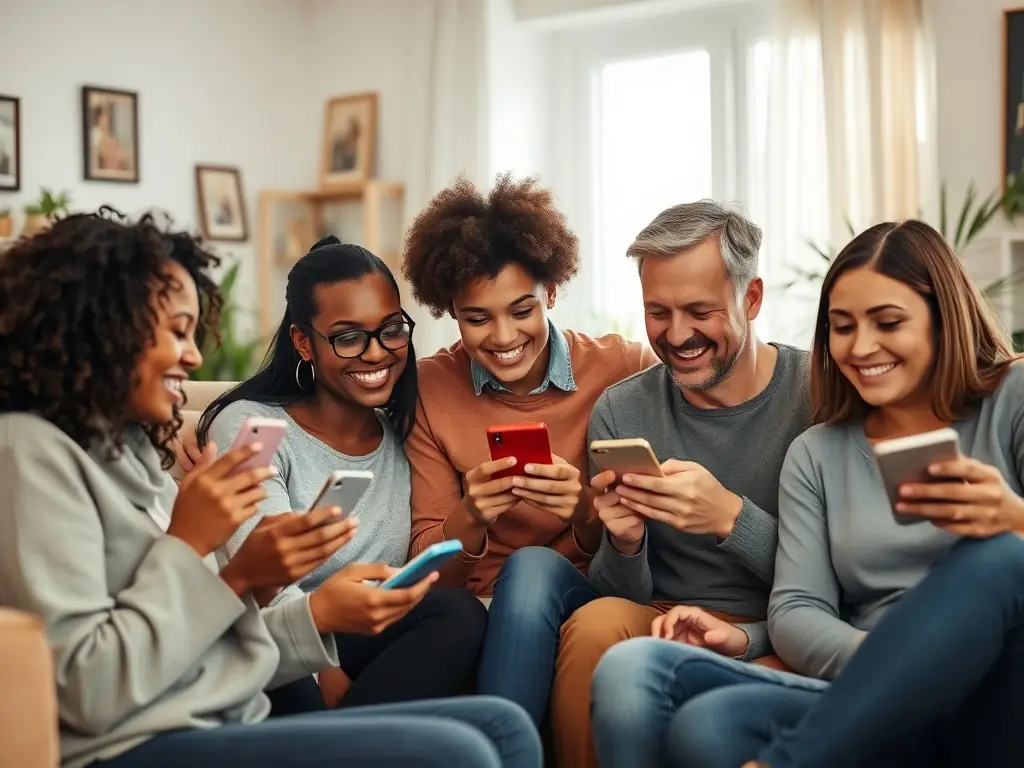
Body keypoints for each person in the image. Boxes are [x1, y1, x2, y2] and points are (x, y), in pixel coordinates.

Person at [0, 210, 542, 768]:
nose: (193, 355)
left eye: (389, 330)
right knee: (464, 751)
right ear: (104, 328)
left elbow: (216, 632)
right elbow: (86, 692)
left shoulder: (130, 453)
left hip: (219, 704)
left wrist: (269, 592)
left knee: (504, 727)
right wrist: (198, 550)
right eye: (178, 331)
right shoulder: (29, 452)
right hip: (139, 741)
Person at [590, 219, 1024, 768]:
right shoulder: (819, 451)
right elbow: (797, 608)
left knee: (999, 554)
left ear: (943, 319)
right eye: (842, 326)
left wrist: (1014, 517)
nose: (862, 346)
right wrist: (900, 662)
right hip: (863, 685)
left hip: (998, 685)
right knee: (701, 721)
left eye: (888, 322)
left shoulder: (1013, 398)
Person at [553, 200, 813, 768]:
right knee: (595, 623)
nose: (677, 335)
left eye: (699, 310)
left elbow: (839, 582)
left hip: (787, 627)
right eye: (658, 312)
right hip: (664, 618)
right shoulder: (622, 411)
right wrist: (625, 544)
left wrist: (730, 519)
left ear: (751, 298)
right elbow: (620, 597)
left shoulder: (817, 394)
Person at [186, 236, 488, 712]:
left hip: (369, 634)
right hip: (279, 640)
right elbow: (262, 574)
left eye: (392, 330)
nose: (376, 353)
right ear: (303, 342)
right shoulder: (251, 426)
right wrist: (322, 669)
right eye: (348, 337)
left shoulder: (404, 432)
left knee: (459, 615)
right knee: (294, 685)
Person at [400, 174, 658, 727]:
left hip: (584, 592)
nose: (502, 336)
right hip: (477, 606)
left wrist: (581, 508)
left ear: (552, 294)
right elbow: (429, 569)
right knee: (524, 571)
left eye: (522, 310)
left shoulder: (621, 368)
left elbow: (706, 391)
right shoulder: (427, 389)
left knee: (534, 569)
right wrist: (472, 512)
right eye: (477, 318)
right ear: (450, 311)